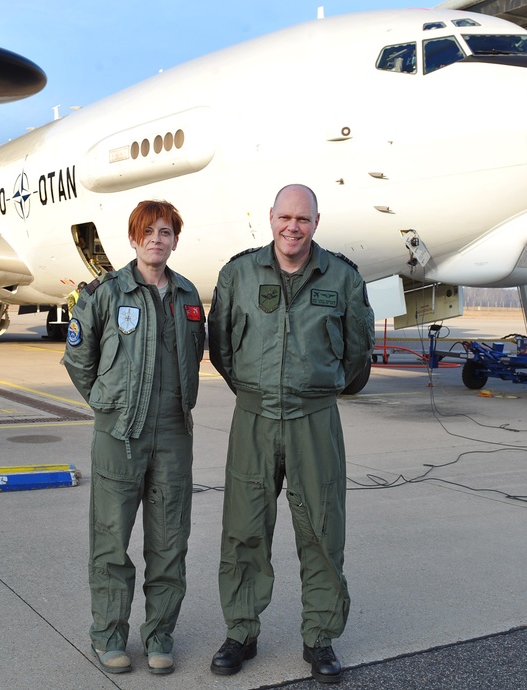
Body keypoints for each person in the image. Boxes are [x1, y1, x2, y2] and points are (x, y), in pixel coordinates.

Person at [207, 184, 375, 683]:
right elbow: (221, 348)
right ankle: (241, 631)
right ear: (271, 218)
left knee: (322, 531)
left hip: (315, 420)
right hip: (254, 419)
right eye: (285, 217)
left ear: (316, 223)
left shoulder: (342, 277)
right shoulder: (238, 273)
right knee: (243, 529)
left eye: (303, 219)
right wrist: (255, 390)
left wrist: (314, 391)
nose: (292, 227)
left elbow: (356, 352)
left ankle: (320, 638)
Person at [63, 200, 205, 676]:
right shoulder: (107, 293)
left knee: (169, 541)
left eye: (165, 232)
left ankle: (161, 634)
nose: (156, 240)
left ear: (175, 240)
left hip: (172, 436)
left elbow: (196, 353)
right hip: (118, 435)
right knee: (111, 541)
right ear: (133, 238)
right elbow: (79, 360)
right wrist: (110, 405)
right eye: (147, 232)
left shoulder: (187, 296)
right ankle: (109, 636)